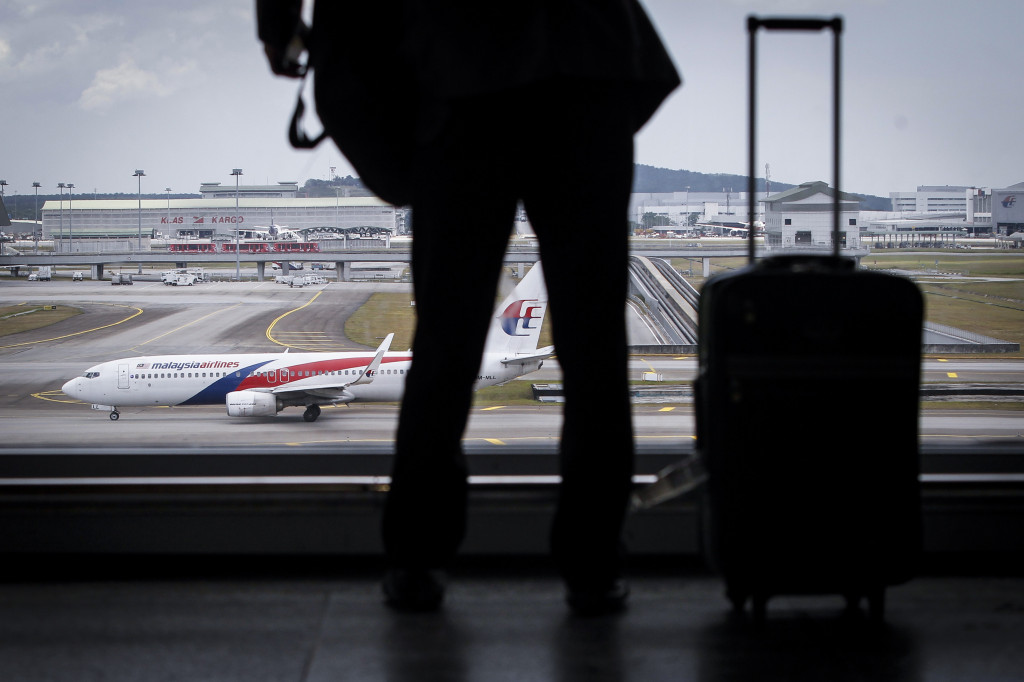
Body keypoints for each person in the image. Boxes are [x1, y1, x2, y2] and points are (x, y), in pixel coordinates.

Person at [257, 0, 679, 616]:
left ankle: (417, 559)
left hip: (463, 82)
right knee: (595, 348)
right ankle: (593, 563)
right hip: (584, 70)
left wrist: (280, 29)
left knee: (445, 347)